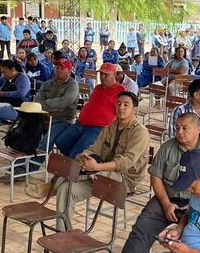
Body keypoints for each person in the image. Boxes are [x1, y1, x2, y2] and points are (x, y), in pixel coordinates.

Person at [94, 112, 200, 253]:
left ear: (198, 129)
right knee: (143, 227)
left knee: (193, 235)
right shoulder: (168, 147)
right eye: (177, 127)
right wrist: (164, 203)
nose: (179, 132)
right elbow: (156, 176)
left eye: (184, 128)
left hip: (198, 202)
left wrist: (193, 206)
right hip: (168, 198)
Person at [51, 91, 149, 234]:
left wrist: (96, 167)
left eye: (126, 105)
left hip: (124, 180)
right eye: (119, 103)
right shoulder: (110, 127)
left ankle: (55, 182)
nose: (121, 107)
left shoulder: (140, 132)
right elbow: (94, 148)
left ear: (134, 110)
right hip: (101, 175)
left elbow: (126, 162)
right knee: (66, 189)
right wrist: (85, 157)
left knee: (79, 172)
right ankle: (63, 234)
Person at [54, 62, 124, 159]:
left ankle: (72, 165)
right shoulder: (98, 88)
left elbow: (122, 113)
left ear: (114, 74)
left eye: (106, 74)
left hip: (98, 128)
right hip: (80, 123)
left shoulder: (121, 91)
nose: (102, 76)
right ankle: (73, 164)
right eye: (101, 74)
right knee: (61, 141)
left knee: (78, 151)